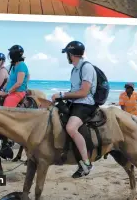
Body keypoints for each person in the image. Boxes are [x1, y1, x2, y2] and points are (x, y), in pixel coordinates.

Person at [51, 40, 97, 178]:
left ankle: (86, 162)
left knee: (71, 128)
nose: (67, 56)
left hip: (86, 103)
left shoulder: (86, 68)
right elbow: (75, 90)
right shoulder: (75, 69)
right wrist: (63, 98)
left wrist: (62, 94)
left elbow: (83, 92)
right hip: (76, 102)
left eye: (67, 54)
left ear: (71, 54)